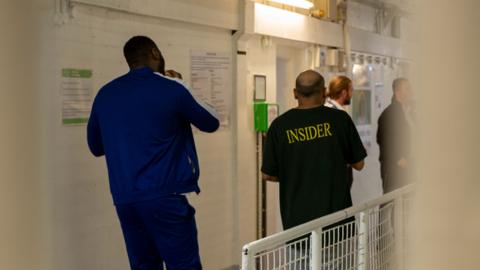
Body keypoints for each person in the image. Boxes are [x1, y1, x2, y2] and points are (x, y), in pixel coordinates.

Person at [87, 36, 219, 270]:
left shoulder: (105, 94)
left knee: (144, 266)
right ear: (155, 53)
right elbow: (211, 121)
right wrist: (182, 84)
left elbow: (96, 147)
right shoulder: (171, 88)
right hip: (164, 196)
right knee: (184, 265)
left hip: (125, 200)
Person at [262, 70, 367, 232]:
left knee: (301, 258)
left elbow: (267, 174)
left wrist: (295, 175)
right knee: (341, 257)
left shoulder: (278, 126)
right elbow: (359, 164)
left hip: (296, 227)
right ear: (324, 92)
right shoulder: (340, 120)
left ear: (295, 93)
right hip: (337, 225)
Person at [377, 77, 415, 193]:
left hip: (407, 167)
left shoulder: (408, 112)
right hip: (395, 170)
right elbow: (383, 139)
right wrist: (399, 159)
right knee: (392, 203)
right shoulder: (389, 113)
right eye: (407, 89)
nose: (411, 92)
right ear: (398, 92)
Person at [325, 75, 355, 197]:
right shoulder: (335, 114)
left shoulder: (333, 111)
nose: (352, 94)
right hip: (336, 171)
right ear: (344, 92)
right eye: (351, 90)